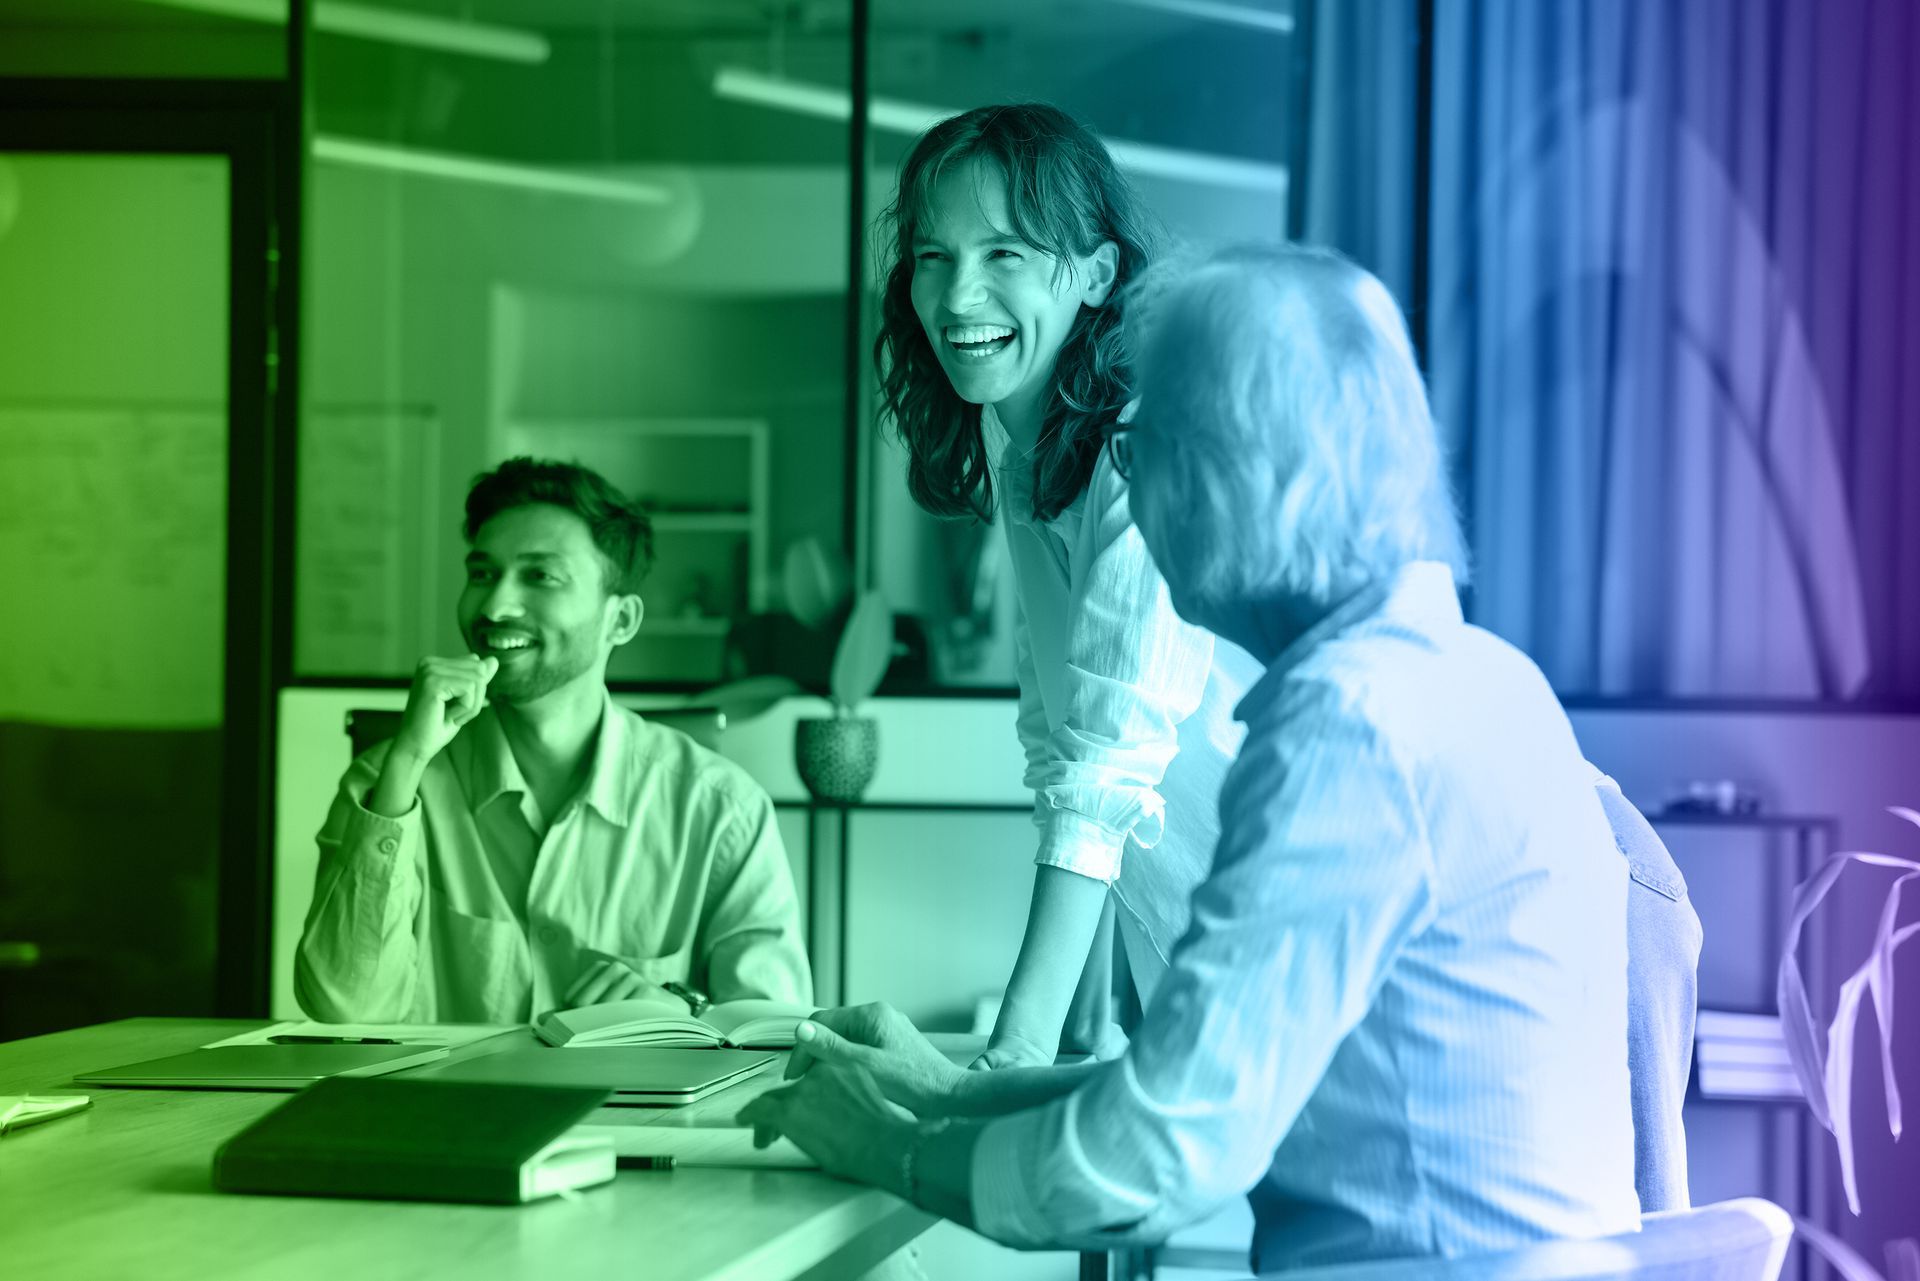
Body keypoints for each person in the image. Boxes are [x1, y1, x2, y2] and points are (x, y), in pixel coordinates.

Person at [741, 246, 1641, 1270]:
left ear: (1234, 475)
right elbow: (1200, 1090)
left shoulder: (1350, 733)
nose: (1120, 482)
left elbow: (1152, 1161)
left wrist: (890, 1146)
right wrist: (948, 1094)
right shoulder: (1478, 683)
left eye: (1136, 446)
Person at [875, 102, 1262, 1066]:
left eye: (1005, 253)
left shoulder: (1145, 447)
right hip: (1260, 955)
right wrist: (1084, 1034)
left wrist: (1012, 1054)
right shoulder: (1029, 471)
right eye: (932, 256)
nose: (959, 295)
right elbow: (1066, 757)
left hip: (1529, 896)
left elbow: (1106, 766)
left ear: (1096, 271)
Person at [295, 457, 810, 1024]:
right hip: (443, 1109)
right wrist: (408, 761)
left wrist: (680, 1011)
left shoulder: (721, 809)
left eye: (540, 576)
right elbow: (342, 1007)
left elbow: (773, 1036)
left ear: (621, 620)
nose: (494, 607)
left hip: (639, 1113)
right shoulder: (386, 784)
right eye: (483, 573)